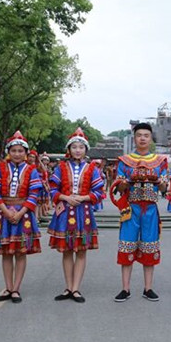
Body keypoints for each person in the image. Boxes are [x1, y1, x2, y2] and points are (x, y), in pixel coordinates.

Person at [112, 123, 168, 302]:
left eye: (146, 135)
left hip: (151, 208)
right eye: (139, 135)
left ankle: (148, 288)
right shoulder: (124, 161)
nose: (143, 138)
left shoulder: (160, 161)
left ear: (151, 139)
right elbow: (119, 187)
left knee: (150, 246)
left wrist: (159, 182)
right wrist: (126, 182)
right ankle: (125, 289)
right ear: (134, 138)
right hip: (131, 208)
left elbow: (165, 187)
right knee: (126, 245)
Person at [48, 128, 105, 303]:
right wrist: (65, 197)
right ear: (69, 149)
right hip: (64, 212)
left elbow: (99, 192)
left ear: (86, 150)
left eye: (81, 147)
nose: (78, 150)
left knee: (80, 251)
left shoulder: (92, 169)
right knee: (66, 251)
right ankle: (68, 287)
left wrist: (83, 197)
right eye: (74, 147)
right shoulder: (61, 167)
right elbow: (52, 190)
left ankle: (76, 288)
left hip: (84, 213)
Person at [0, 131, 43, 303]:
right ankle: (8, 287)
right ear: (8, 152)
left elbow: (34, 195)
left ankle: (16, 288)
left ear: (26, 153)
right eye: (14, 151)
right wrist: (5, 211)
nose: (17, 154)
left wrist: (19, 213)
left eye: (20, 151)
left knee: (20, 253)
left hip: (23, 215)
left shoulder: (32, 170)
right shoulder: (0, 169)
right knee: (6, 253)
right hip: (4, 214)